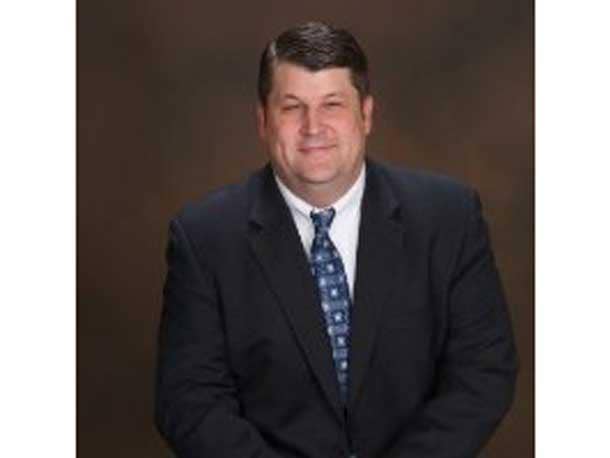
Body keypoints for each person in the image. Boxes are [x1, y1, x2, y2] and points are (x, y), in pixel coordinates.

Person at [155, 21, 518, 458]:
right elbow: (190, 402)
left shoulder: (448, 217)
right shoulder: (204, 238)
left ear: (366, 115)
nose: (313, 127)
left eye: (332, 104)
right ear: (263, 121)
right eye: (292, 107)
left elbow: (482, 372)